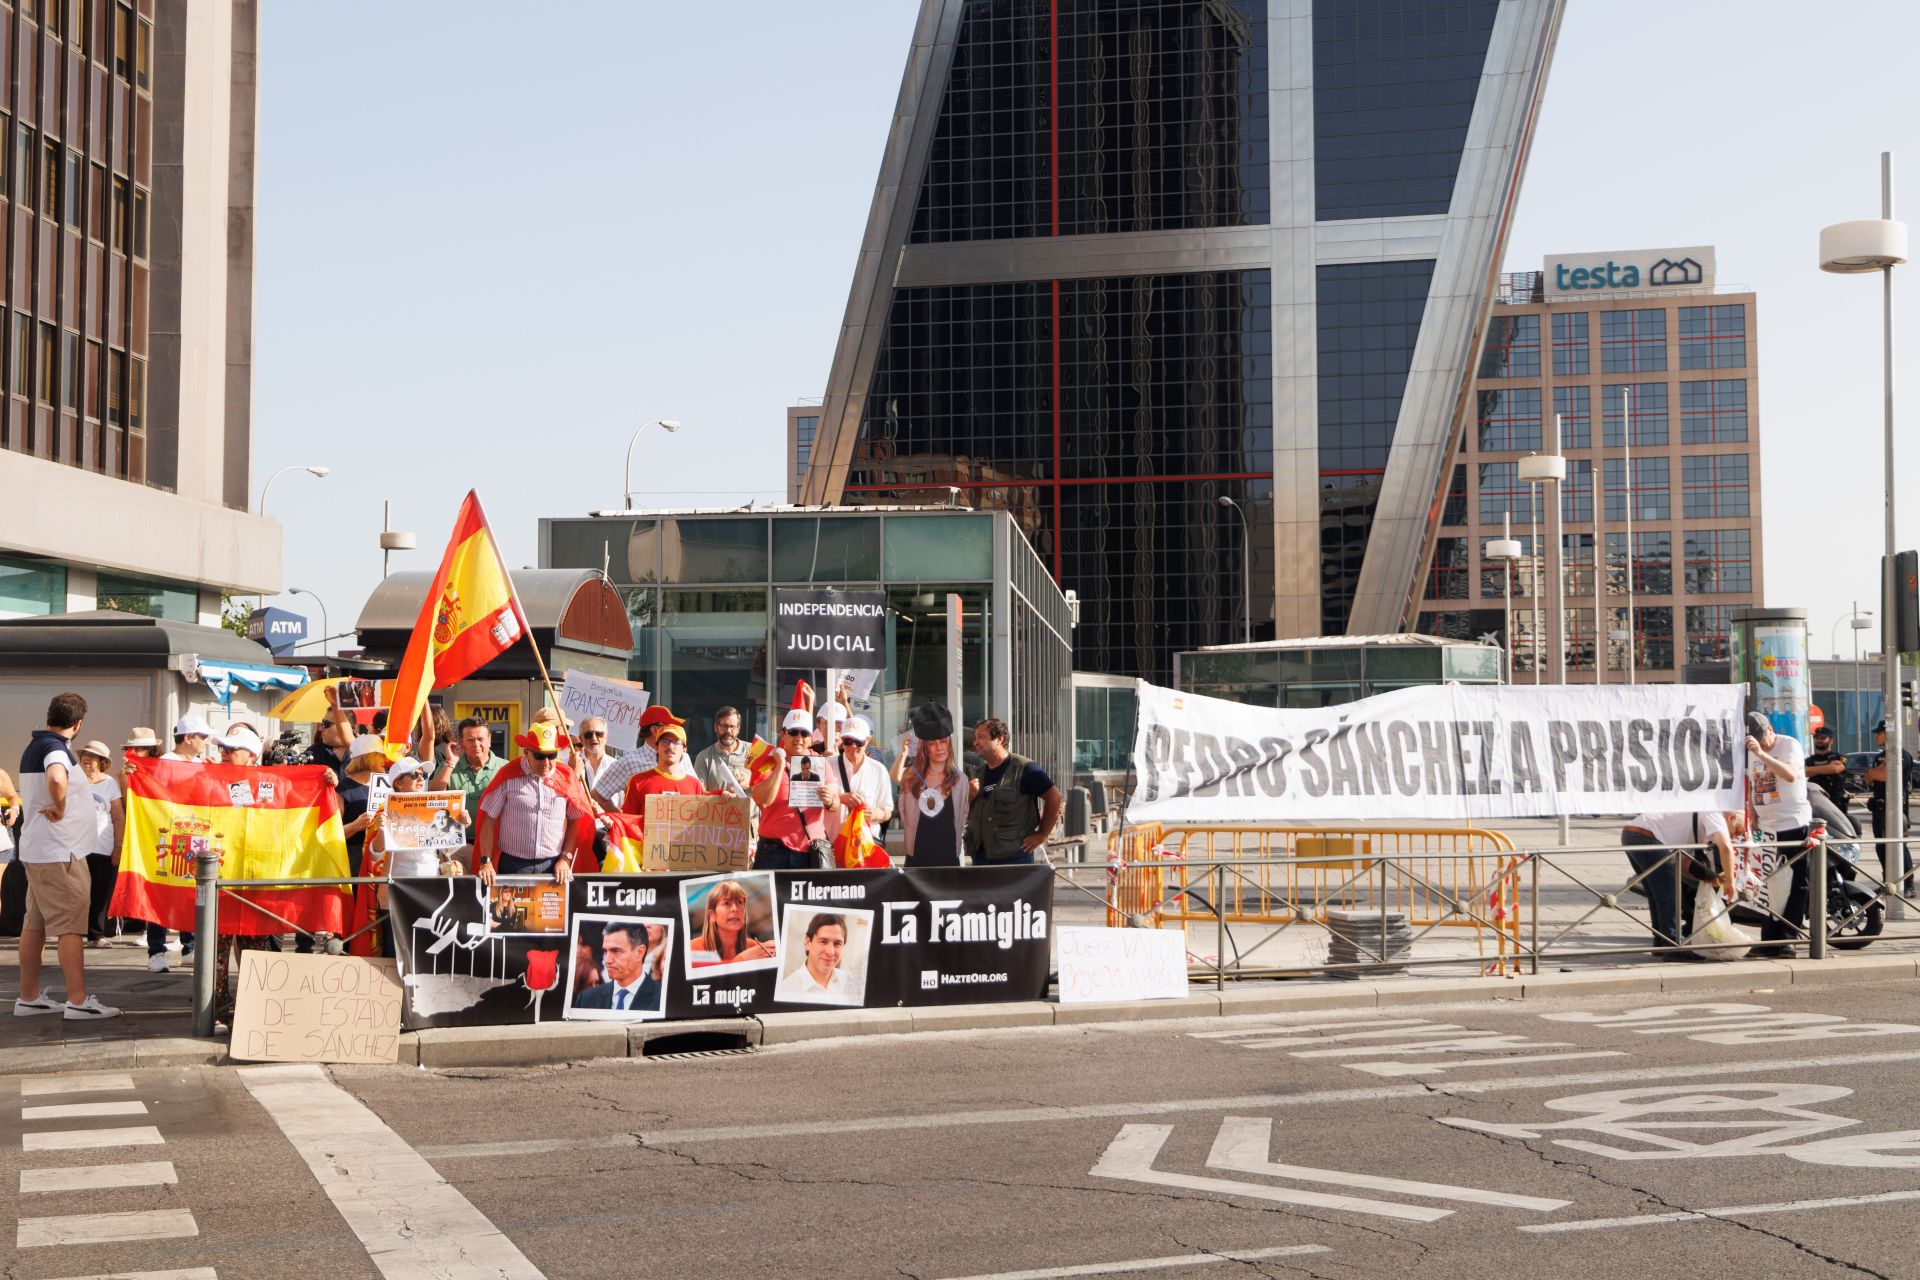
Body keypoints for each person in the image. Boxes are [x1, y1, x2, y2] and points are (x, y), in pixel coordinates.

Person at [14, 692, 120, 1020]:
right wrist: (60, 807)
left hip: (40, 851)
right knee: (71, 925)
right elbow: (57, 777)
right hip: (61, 853)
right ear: (77, 724)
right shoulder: (54, 749)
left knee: (35, 924)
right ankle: (78, 1001)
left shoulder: (36, 745)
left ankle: (28, 997)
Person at [475, 721, 588, 886]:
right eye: (539, 756)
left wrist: (565, 857)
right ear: (526, 752)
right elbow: (488, 820)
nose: (546, 762)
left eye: (552, 756)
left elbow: (576, 820)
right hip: (513, 865)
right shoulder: (509, 776)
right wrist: (486, 861)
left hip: (554, 866)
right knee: (512, 911)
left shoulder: (566, 778)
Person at [1620, 809, 1737, 951]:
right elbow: (1726, 848)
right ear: (1732, 817)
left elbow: (1683, 864)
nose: (1736, 836)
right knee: (1669, 894)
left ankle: (1661, 942)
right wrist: (1730, 881)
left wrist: (1711, 877)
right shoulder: (1715, 815)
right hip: (1645, 834)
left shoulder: (1703, 819)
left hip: (1632, 833)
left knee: (1657, 894)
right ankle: (1673, 946)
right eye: (1739, 830)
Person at [1747, 711, 1814, 954]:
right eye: (1755, 739)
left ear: (1771, 729)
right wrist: (1752, 812)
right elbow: (1752, 783)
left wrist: (1761, 754)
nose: (1760, 742)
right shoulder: (1749, 751)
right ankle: (1769, 938)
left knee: (1795, 883)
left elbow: (1790, 774)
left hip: (1792, 823)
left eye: (1762, 737)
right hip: (1766, 826)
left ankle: (1787, 937)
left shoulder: (1789, 745)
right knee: (1768, 884)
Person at [963, 718, 1063, 866]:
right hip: (980, 857)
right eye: (975, 738)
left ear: (999, 739)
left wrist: (1042, 834)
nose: (976, 742)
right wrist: (969, 796)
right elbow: (966, 814)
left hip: (1013, 857)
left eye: (981, 737)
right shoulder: (977, 773)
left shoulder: (1025, 769)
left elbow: (1054, 797)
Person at [748, 709, 838, 870]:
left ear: (811, 737)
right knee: (766, 897)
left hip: (810, 851)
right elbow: (762, 801)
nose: (799, 738)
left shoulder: (820, 763)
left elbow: (835, 804)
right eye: (793, 732)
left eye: (804, 733)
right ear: (783, 734)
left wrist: (829, 800)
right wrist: (780, 766)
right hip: (772, 852)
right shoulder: (768, 761)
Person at [611, 724, 703, 869]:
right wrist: (612, 822)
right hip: (647, 867)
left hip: (683, 867)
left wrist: (724, 797)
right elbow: (628, 823)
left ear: (684, 749)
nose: (670, 746)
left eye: (676, 742)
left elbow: (703, 827)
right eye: (665, 741)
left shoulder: (695, 785)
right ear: (657, 747)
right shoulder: (638, 781)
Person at [896, 703, 968, 868]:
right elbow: (905, 817)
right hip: (917, 860)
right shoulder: (910, 777)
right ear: (924, 748)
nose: (939, 747)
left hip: (949, 861)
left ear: (949, 744)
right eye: (932, 743)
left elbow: (961, 819)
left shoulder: (960, 780)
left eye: (943, 741)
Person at [75, 741, 123, 948]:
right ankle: (72, 935)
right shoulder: (73, 779)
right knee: (75, 891)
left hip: (102, 846)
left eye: (92, 756)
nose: (86, 758)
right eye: (85, 754)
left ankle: (95, 935)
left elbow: (118, 817)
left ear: (102, 762)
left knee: (100, 891)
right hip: (76, 845)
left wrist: (118, 846)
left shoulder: (110, 783)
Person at [590, 705, 683, 811]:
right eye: (669, 727)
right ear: (655, 730)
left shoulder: (682, 756)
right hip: (643, 827)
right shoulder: (629, 762)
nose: (675, 731)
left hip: (679, 826)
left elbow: (697, 792)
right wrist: (623, 821)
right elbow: (597, 794)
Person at [1865, 718, 1917, 895]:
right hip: (1878, 808)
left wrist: (1880, 771)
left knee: (1899, 846)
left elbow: (1887, 776)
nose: (1876, 736)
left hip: (1895, 808)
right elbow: (1869, 777)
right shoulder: (1881, 755)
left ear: (1888, 733)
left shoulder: (1901, 754)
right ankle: (1888, 882)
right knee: (1881, 846)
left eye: (1879, 733)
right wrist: (1878, 770)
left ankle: (1908, 884)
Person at [433, 717, 504, 842]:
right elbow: (432, 796)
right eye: (470, 740)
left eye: (481, 739)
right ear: (461, 742)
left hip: (495, 843)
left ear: (489, 740)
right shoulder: (449, 766)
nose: (476, 744)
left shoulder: (504, 768)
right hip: (457, 842)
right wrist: (450, 763)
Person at [693, 706, 759, 839]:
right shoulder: (704, 757)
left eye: (732, 726)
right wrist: (719, 794)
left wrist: (750, 782)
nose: (728, 731)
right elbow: (698, 795)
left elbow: (770, 786)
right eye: (724, 726)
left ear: (738, 728)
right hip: (716, 831)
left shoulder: (754, 751)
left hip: (749, 828)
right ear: (715, 727)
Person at [829, 716, 893, 846]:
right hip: (835, 847)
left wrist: (874, 814)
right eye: (848, 740)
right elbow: (814, 802)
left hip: (866, 849)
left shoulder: (878, 770)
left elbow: (887, 811)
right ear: (842, 740)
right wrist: (840, 798)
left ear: (867, 740)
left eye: (858, 741)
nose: (853, 746)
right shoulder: (828, 765)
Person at [573, 920, 663, 1012]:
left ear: (639, 953)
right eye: (605, 951)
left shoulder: (663, 998)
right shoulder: (586, 999)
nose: (607, 960)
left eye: (615, 951)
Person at [775, 912, 857, 1003]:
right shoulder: (786, 989)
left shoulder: (851, 983)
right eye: (823, 941)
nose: (830, 952)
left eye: (837, 943)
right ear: (807, 942)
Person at [691, 878, 775, 966]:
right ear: (712, 915)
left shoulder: (757, 948)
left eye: (739, 902)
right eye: (726, 903)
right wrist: (741, 960)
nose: (735, 909)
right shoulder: (692, 949)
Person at [1804, 726, 1850, 812]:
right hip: (1815, 800)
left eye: (1823, 738)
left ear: (1831, 741)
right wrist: (1828, 767)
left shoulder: (1840, 757)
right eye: (1817, 738)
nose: (1819, 740)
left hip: (1835, 801)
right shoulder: (1809, 759)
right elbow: (1804, 772)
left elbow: (1836, 769)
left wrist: (1812, 769)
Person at [575, 716, 617, 799]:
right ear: (581, 739)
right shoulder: (569, 765)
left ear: (606, 737)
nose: (594, 738)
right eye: (588, 735)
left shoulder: (617, 766)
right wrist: (574, 774)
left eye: (599, 734)